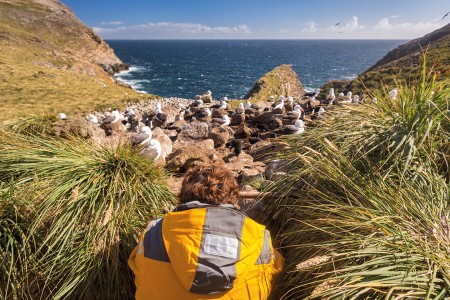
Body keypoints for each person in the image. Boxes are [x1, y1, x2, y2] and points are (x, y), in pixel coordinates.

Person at [129, 164, 283, 299]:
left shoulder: (154, 231)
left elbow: (136, 265)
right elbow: (276, 270)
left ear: (183, 196)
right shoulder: (260, 236)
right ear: (233, 197)